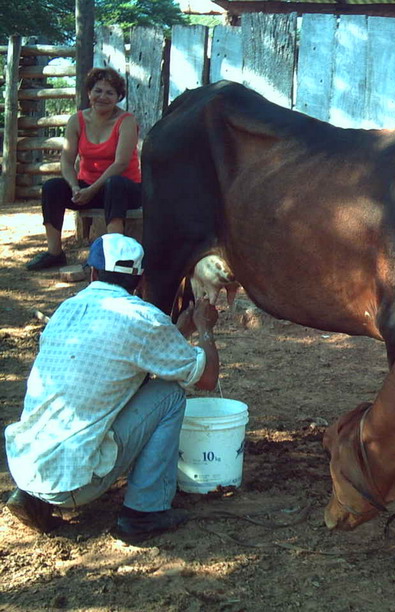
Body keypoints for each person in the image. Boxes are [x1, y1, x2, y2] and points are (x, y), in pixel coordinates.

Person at [6, 233, 220, 543]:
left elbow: (135, 358)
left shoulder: (67, 309)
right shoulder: (143, 318)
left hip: (25, 467)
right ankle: (144, 514)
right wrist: (204, 329)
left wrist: (180, 330)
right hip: (73, 484)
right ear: (141, 280)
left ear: (92, 273)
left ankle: (33, 495)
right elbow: (208, 379)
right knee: (170, 395)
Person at [26, 67, 142, 271]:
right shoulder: (77, 120)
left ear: (118, 97)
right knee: (52, 187)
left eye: (110, 93)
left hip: (124, 189)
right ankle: (54, 252)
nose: (102, 97)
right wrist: (74, 187)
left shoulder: (126, 121)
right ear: (89, 93)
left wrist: (92, 190)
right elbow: (67, 159)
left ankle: (113, 255)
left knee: (114, 184)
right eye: (98, 91)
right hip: (87, 188)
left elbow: (121, 163)